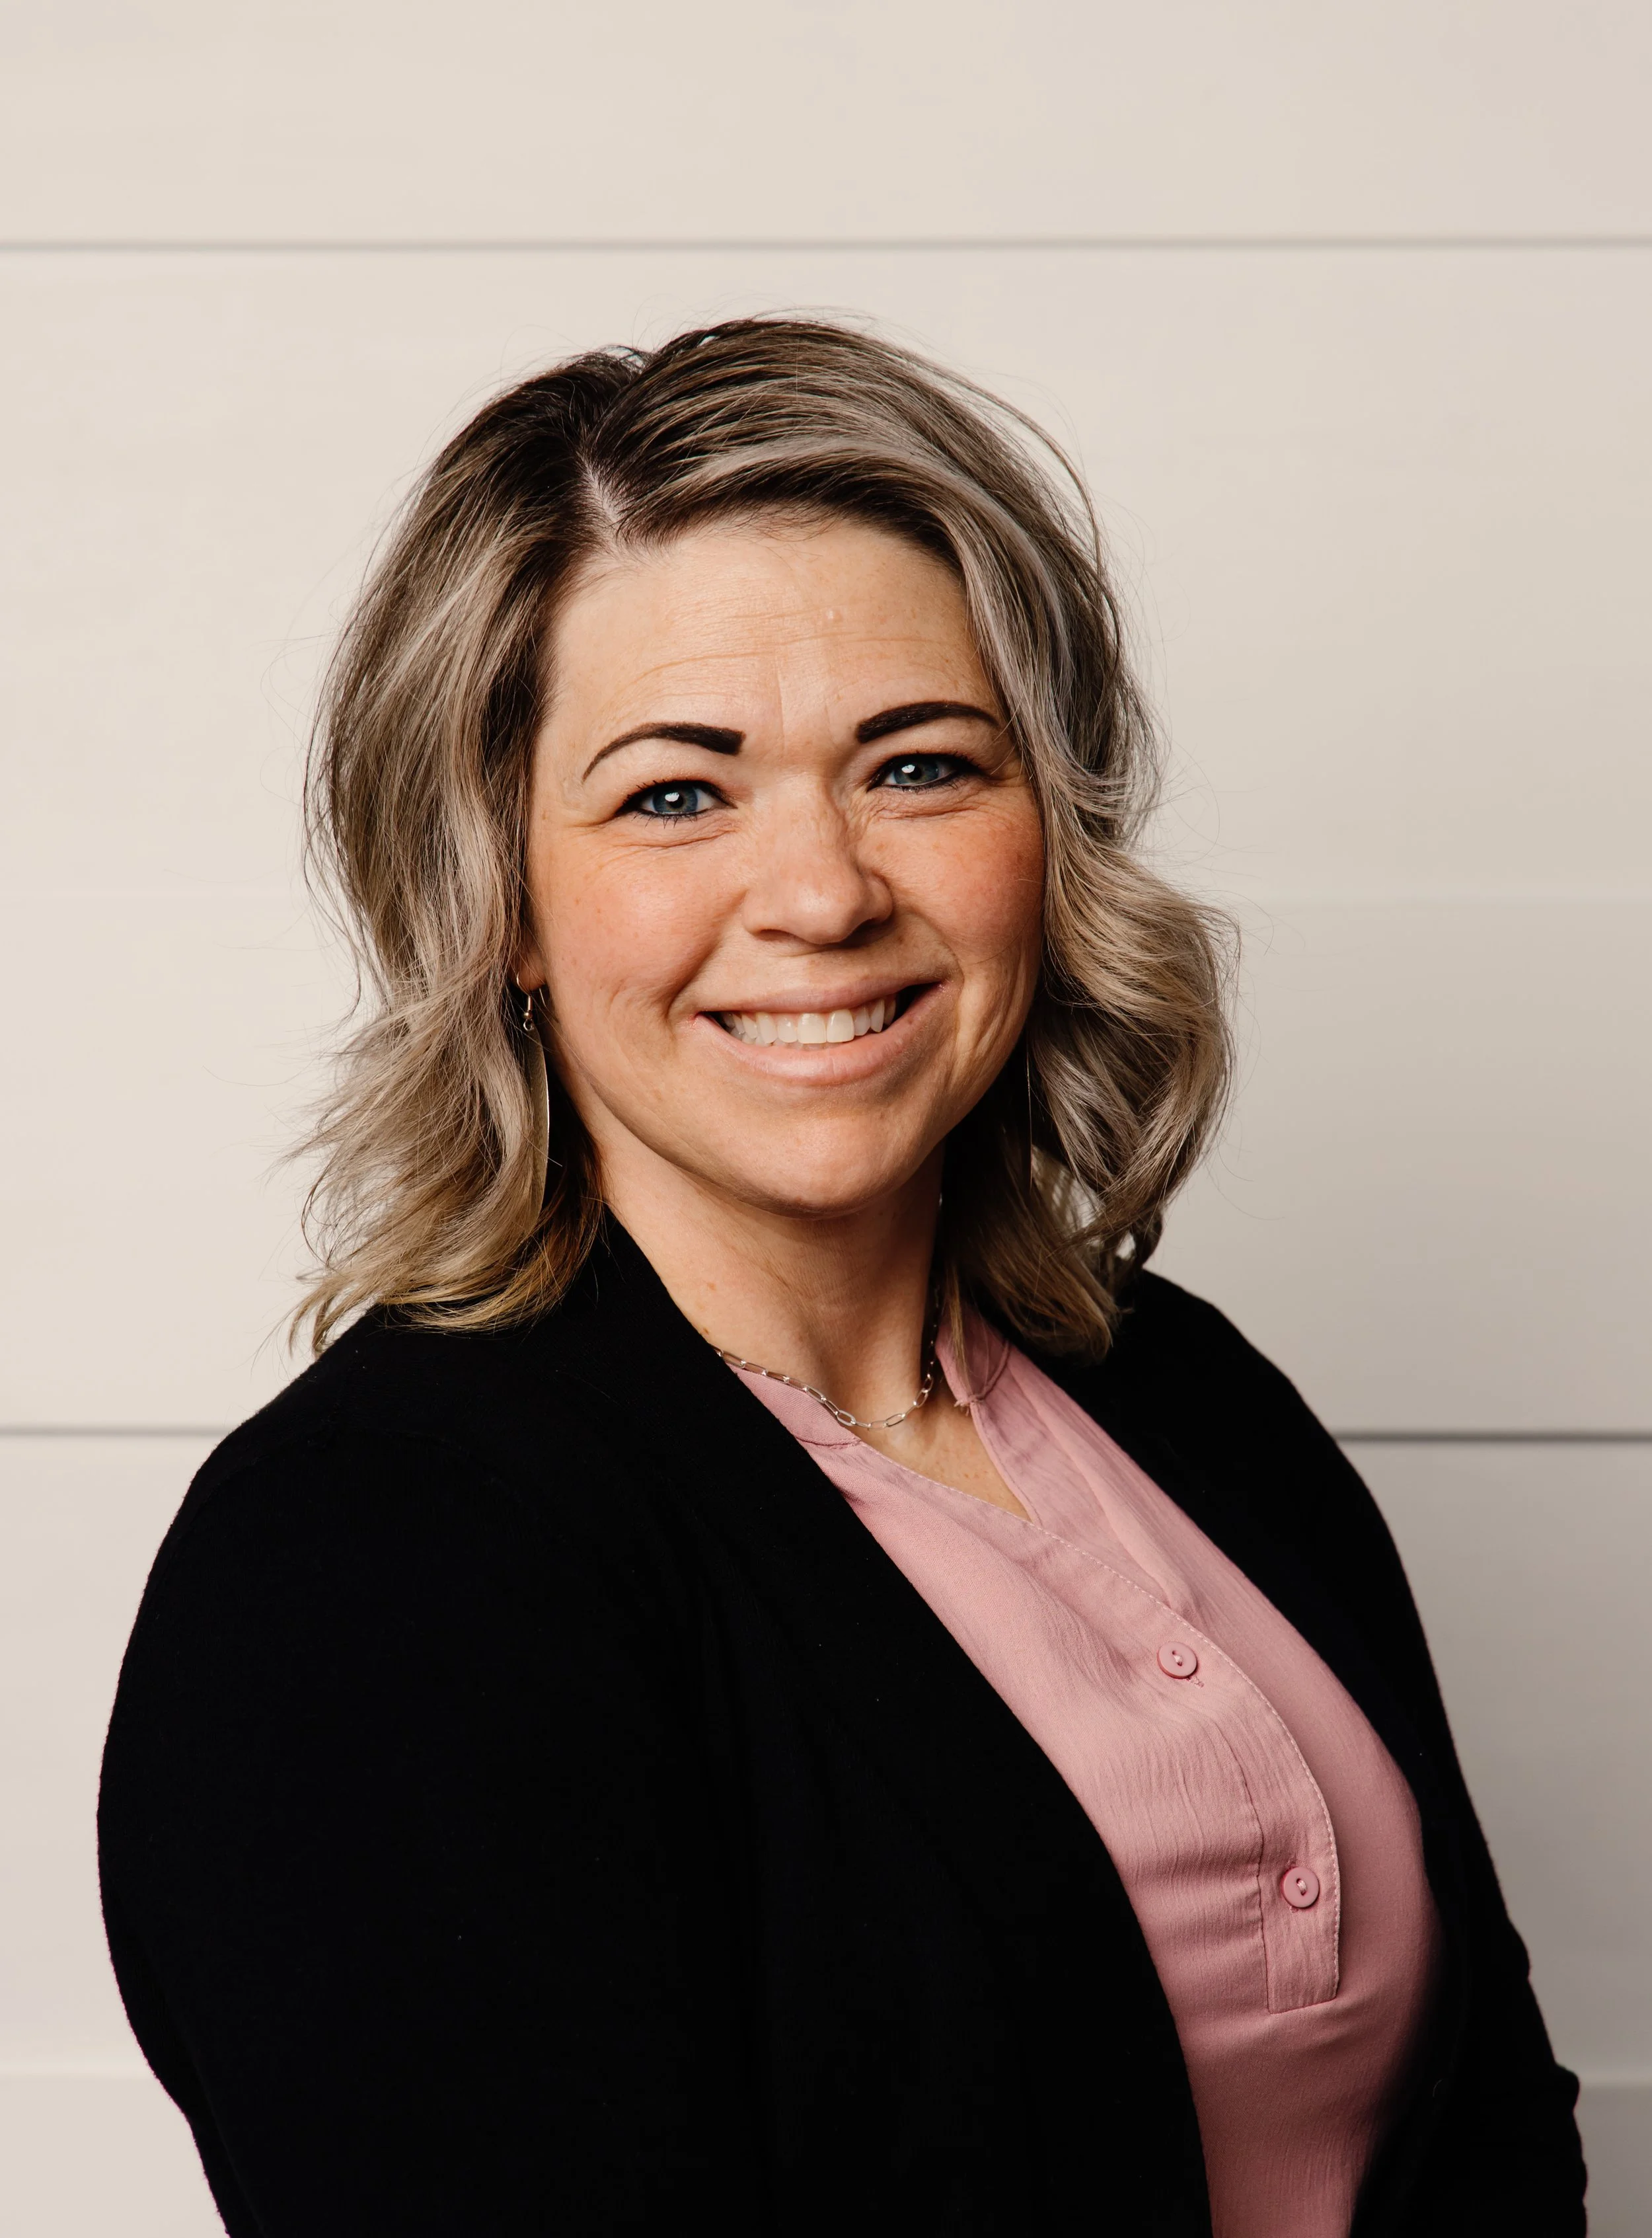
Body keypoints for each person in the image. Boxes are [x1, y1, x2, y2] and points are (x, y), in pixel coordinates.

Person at [98, 319, 1585, 2236]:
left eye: (917, 766)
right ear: (500, 911)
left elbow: (1488, 2126)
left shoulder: (1185, 1394)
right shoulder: (371, 1554)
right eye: (674, 795)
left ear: (1049, 838)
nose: (818, 892)